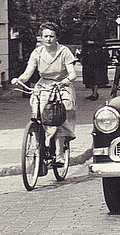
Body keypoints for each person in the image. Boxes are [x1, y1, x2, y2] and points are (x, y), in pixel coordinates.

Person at [11, 21, 76, 166]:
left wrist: (65, 81)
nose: (48, 39)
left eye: (51, 36)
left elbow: (72, 74)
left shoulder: (64, 51)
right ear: (41, 37)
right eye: (45, 36)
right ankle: (40, 146)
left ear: (56, 37)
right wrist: (18, 79)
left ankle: (59, 154)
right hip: (43, 84)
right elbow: (28, 73)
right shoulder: (37, 52)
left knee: (60, 114)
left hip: (61, 85)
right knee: (38, 112)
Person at [81, 11, 108, 101]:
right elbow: (83, 43)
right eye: (86, 20)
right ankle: (93, 92)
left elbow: (103, 43)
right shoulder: (85, 30)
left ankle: (95, 93)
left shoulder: (98, 30)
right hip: (87, 55)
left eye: (89, 20)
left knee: (96, 75)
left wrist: (93, 43)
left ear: (94, 21)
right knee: (89, 75)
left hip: (96, 55)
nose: (87, 22)